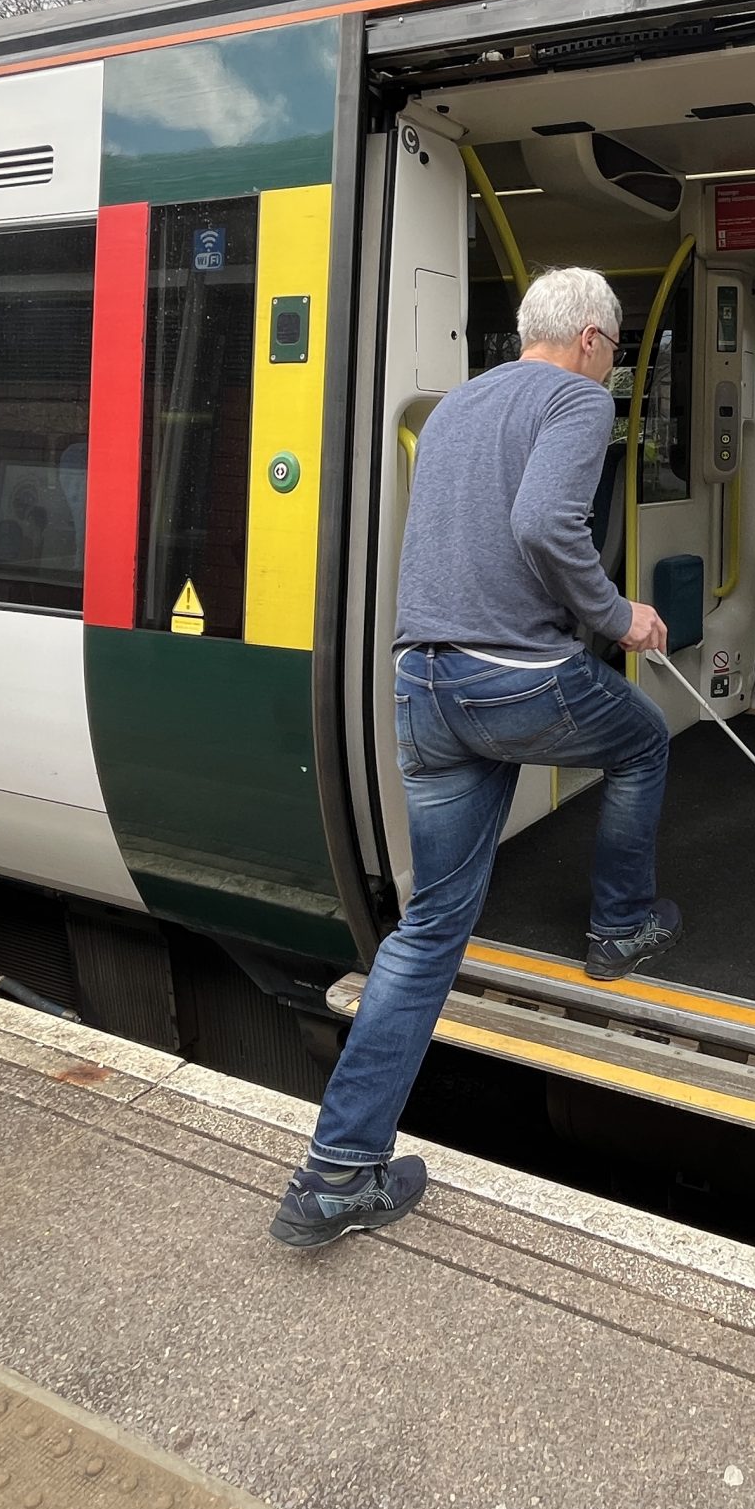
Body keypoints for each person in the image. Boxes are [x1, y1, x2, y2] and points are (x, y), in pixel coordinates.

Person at [270, 265, 679, 1248]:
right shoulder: (579, 399)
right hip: (514, 682)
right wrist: (617, 615)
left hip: (423, 686)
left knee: (429, 931)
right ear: (588, 340)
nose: (611, 367)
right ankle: (619, 928)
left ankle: (337, 1172)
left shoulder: (456, 407)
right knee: (643, 743)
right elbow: (544, 523)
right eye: (614, 350)